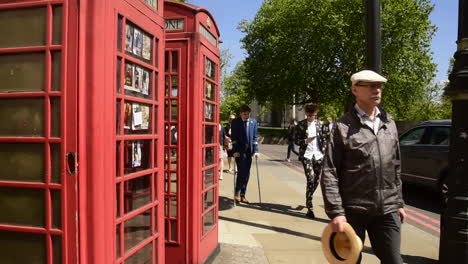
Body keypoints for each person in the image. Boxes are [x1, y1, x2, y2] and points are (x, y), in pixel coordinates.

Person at [321, 70, 406, 264]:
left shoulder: (389, 123)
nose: (377, 90)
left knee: (394, 260)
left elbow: (396, 166)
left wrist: (399, 202)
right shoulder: (342, 127)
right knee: (349, 261)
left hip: (387, 209)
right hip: (353, 210)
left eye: (379, 86)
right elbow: (329, 171)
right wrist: (336, 212)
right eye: (370, 86)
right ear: (355, 89)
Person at [295, 103, 325, 219]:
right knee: (310, 178)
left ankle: (309, 196)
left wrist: (325, 151)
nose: (310, 117)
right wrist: (306, 141)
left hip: (318, 155)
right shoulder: (301, 125)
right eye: (308, 115)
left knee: (316, 180)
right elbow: (296, 140)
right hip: (307, 155)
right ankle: (309, 206)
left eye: (312, 115)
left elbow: (326, 139)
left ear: (316, 114)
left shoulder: (321, 124)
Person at [231, 104, 259, 204]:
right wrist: (235, 151)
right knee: (242, 171)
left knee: (247, 173)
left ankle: (243, 194)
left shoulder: (253, 122)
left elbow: (255, 138)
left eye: (247, 114)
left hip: (249, 152)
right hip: (239, 151)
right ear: (240, 113)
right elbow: (233, 138)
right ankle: (237, 192)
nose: (246, 116)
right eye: (244, 114)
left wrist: (256, 151)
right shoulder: (235, 122)